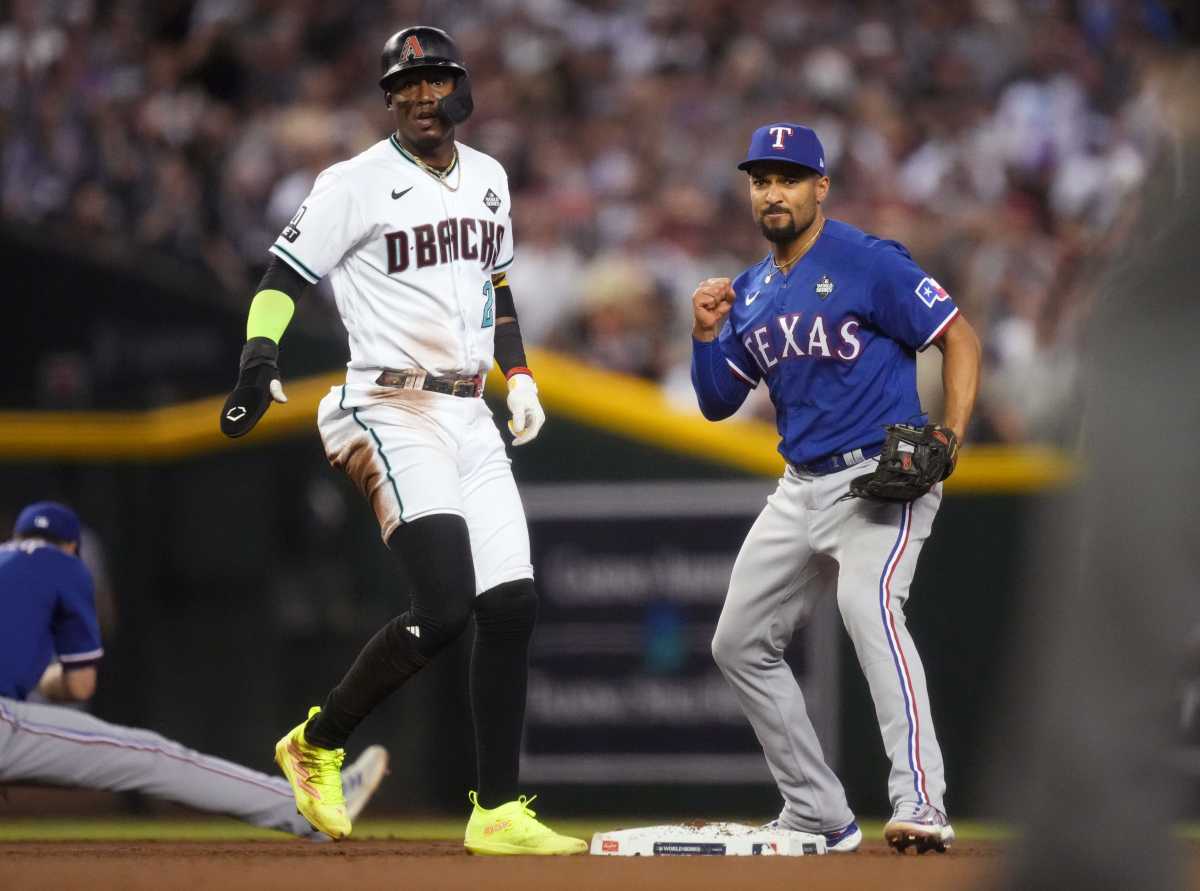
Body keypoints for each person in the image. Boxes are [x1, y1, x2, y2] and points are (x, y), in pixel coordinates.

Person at [218, 26, 583, 854]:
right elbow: (283, 276)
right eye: (405, 84)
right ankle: (316, 741)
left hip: (469, 408)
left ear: (460, 88)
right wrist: (257, 354)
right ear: (388, 99)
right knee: (448, 605)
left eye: (434, 78)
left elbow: (497, 286)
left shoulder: (488, 177)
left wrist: (518, 373)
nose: (421, 95)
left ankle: (496, 809)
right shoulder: (354, 183)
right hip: (389, 403)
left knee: (512, 603)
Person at [690, 123, 981, 853]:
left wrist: (951, 432)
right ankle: (817, 810)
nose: (773, 191)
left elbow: (959, 337)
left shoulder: (867, 259)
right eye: (761, 179)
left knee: (868, 604)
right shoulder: (751, 289)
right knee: (738, 642)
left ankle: (921, 801)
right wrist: (703, 336)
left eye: (788, 177)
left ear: (821, 187)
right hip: (799, 485)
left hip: (879, 476)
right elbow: (718, 401)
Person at [0, 501, 387, 839]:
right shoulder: (66, 565)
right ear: (72, 545)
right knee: (149, 755)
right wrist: (50, 682)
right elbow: (80, 685)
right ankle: (312, 808)